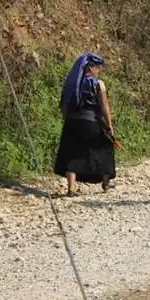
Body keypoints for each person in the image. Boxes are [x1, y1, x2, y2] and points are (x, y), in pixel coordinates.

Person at [54, 52, 116, 197]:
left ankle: (71, 189)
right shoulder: (98, 84)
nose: (99, 70)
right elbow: (104, 106)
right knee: (105, 146)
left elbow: (64, 105)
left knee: (71, 153)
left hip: (72, 121)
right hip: (91, 121)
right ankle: (106, 183)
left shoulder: (71, 83)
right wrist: (109, 124)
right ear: (91, 67)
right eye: (98, 67)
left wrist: (67, 120)